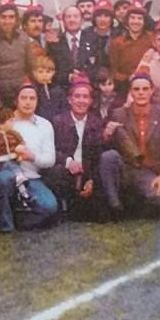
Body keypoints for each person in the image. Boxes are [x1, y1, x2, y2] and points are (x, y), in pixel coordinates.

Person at [100, 71, 160, 215]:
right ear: (131, 92)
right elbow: (106, 149)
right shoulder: (118, 114)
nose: (141, 93)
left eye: (145, 89)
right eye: (136, 89)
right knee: (109, 156)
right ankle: (114, 206)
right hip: (126, 168)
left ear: (152, 91)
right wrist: (106, 135)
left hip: (150, 171)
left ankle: (133, 204)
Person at [0, 81, 60, 231]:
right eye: (23, 98)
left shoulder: (44, 125)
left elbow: (50, 160)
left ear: (37, 101)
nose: (28, 102)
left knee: (50, 206)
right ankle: (6, 224)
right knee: (3, 178)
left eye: (32, 98)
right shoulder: (3, 122)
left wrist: (31, 156)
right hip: (7, 173)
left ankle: (19, 218)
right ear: (16, 100)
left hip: (31, 178)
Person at [49, 74, 105, 220]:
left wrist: (92, 179)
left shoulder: (96, 123)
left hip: (87, 173)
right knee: (56, 172)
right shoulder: (57, 122)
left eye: (85, 97)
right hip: (65, 171)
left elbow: (98, 155)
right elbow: (51, 150)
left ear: (91, 101)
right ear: (70, 99)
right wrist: (68, 161)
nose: (81, 101)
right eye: (77, 96)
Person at [0, 0, 36, 111]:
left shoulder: (23, 37)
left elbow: (32, 66)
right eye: (3, 17)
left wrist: (31, 90)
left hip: (22, 93)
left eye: (11, 17)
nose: (7, 21)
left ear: (16, 19)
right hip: (1, 96)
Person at [109, 0, 154, 92]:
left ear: (144, 21)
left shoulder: (152, 39)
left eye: (139, 18)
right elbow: (113, 70)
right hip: (126, 88)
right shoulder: (117, 42)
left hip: (150, 86)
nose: (136, 22)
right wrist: (128, 78)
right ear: (127, 21)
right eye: (132, 18)